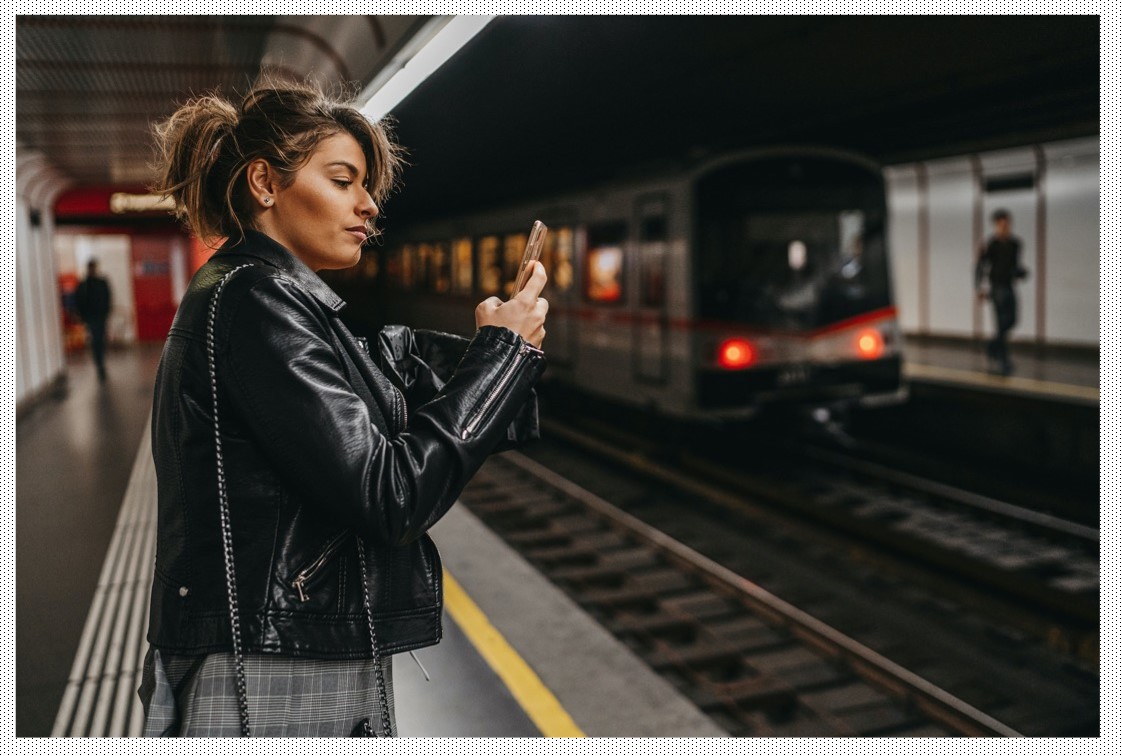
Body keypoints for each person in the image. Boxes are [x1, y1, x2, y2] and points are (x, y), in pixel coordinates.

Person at [138, 79, 549, 736]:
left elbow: (380, 375)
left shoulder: (273, 302)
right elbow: (393, 496)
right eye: (343, 180)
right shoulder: (254, 302)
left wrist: (493, 355)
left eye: (368, 187)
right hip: (272, 667)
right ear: (265, 183)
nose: (368, 205)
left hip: (292, 650)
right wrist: (501, 356)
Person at [974, 208, 1027, 375]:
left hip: (1009, 286)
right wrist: (979, 288)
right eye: (1000, 224)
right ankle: (1004, 360)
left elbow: (1015, 265)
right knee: (1001, 322)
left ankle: (992, 346)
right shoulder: (992, 244)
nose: (1004, 227)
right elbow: (980, 266)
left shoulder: (1015, 244)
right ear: (996, 225)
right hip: (996, 288)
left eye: (1006, 224)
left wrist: (1021, 273)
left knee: (1012, 320)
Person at [74, 258, 112, 380]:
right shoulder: (84, 285)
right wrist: (83, 316)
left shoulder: (101, 283)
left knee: (100, 340)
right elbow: (79, 301)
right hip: (92, 318)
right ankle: (99, 363)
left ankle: (100, 362)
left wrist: (106, 313)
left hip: (100, 317)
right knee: (96, 340)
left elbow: (107, 298)